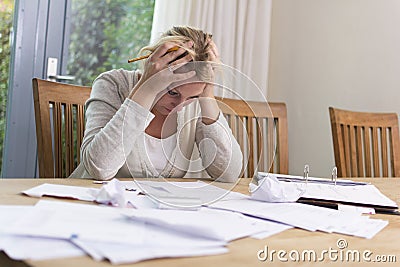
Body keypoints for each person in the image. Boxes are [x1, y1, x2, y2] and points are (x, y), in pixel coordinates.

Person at [70, 26, 242, 182]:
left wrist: (206, 96)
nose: (179, 106)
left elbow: (229, 174)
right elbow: (99, 169)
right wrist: (146, 90)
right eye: (173, 93)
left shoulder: (196, 101)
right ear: (154, 67)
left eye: (192, 98)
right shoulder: (113, 84)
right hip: (91, 206)